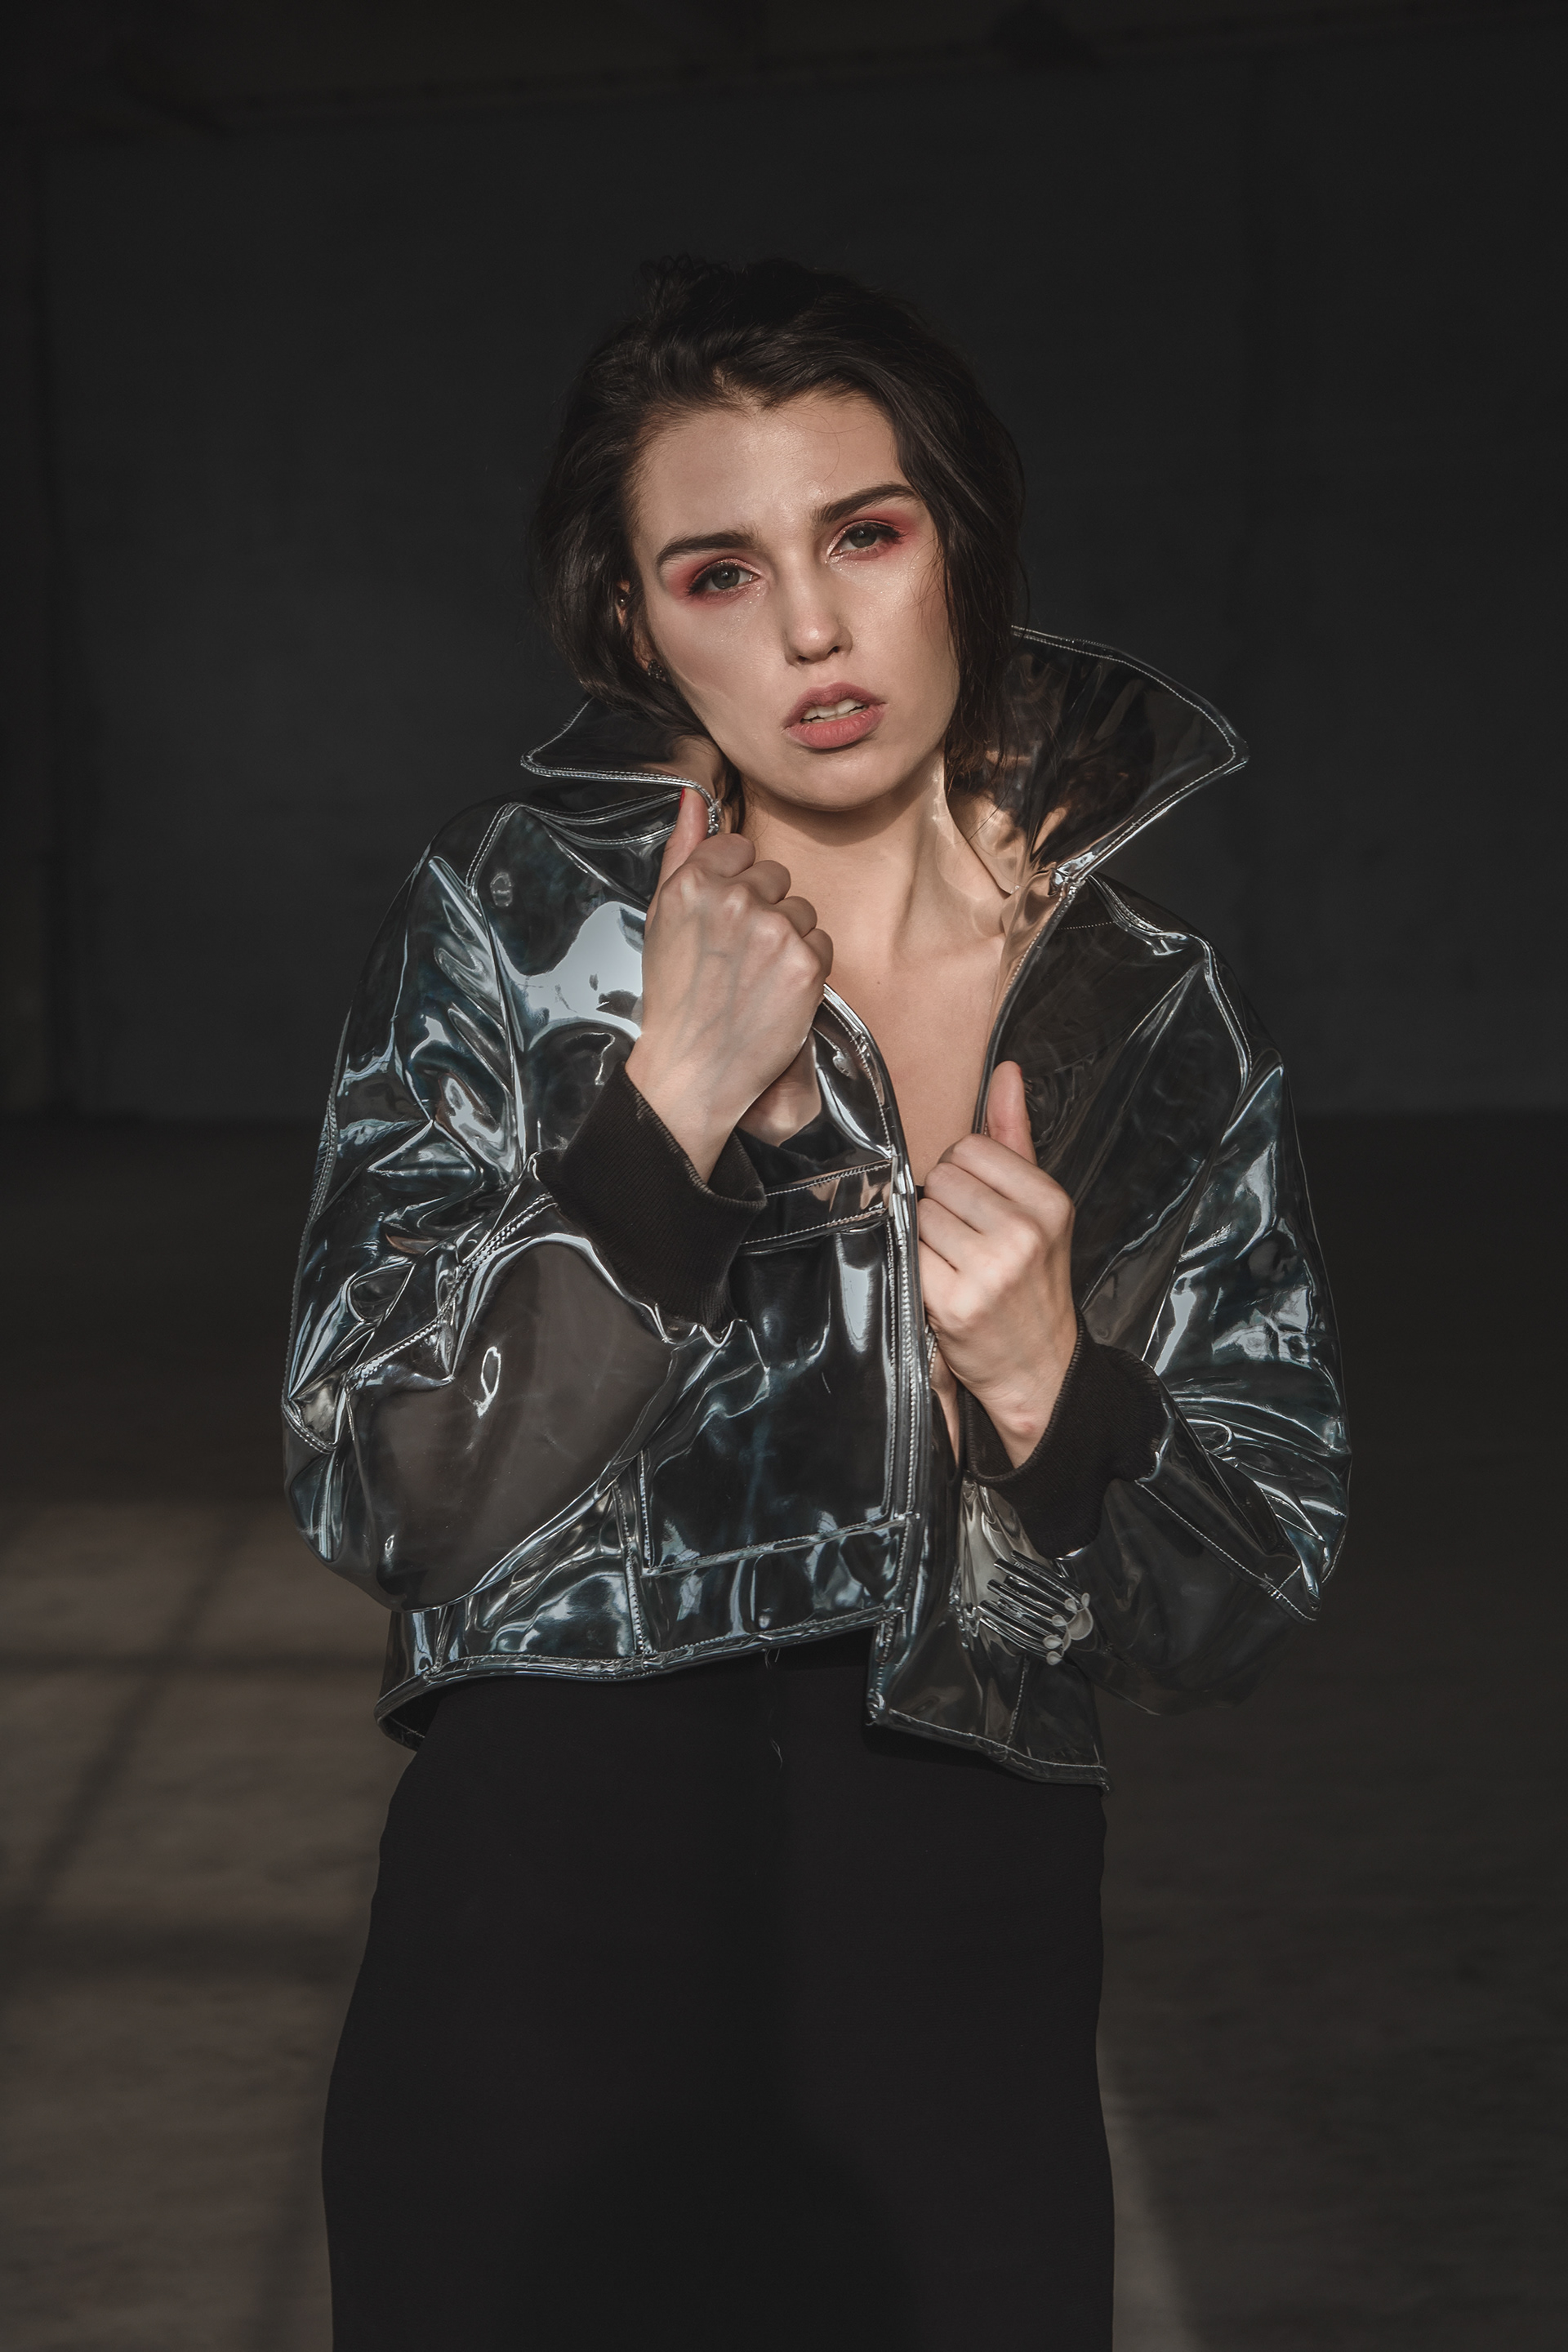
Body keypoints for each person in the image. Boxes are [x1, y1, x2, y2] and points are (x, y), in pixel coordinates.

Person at [284, 256, 1349, 2352]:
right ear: (636, 624)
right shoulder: (508, 927)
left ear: (962, 544)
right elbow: (381, 1491)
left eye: (864, 535)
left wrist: (1052, 1386)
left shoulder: (1147, 1013)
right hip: (546, 1940)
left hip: (962, 1961)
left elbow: (1244, 1592)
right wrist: (663, 1115)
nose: (809, 631)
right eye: (718, 572)